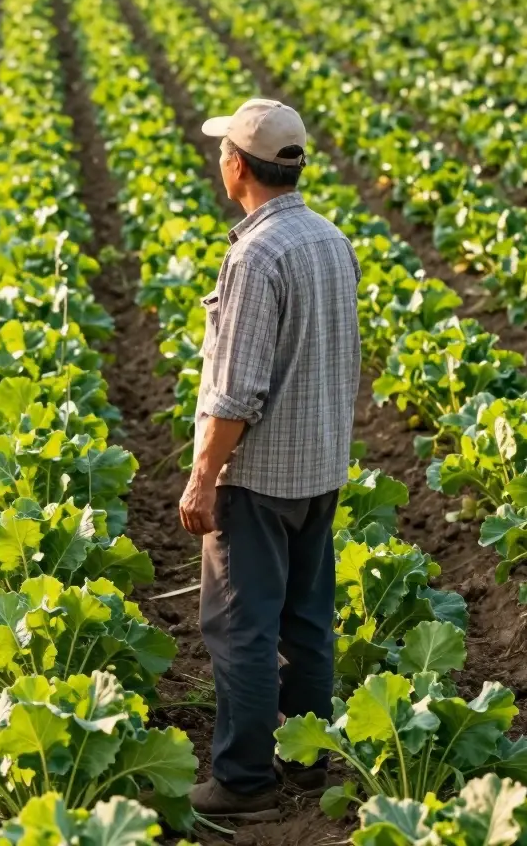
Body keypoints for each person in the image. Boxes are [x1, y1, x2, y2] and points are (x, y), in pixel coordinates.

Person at [179, 99, 361, 823]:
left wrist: (203, 478)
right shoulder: (329, 238)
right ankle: (309, 760)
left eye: (223, 150)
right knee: (307, 622)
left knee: (241, 628)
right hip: (320, 465)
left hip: (257, 479)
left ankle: (245, 782)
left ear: (236, 166)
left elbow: (237, 392)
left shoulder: (256, 255)